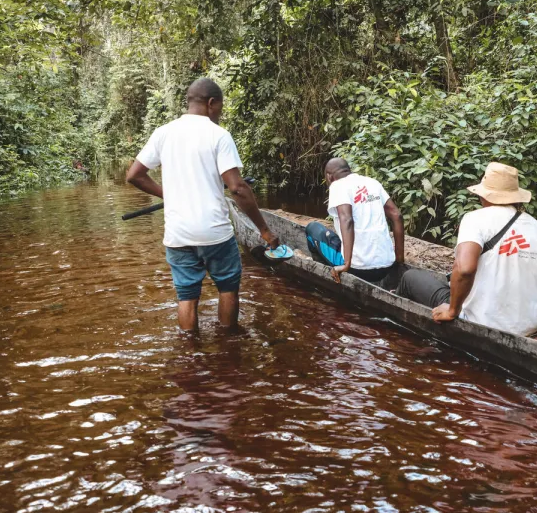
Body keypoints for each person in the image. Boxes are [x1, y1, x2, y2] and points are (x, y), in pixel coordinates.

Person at [125, 77, 280, 333]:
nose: (219, 113)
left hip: (178, 235)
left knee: (186, 296)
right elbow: (238, 188)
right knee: (228, 288)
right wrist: (264, 230)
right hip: (215, 233)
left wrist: (169, 195)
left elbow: (134, 176)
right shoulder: (218, 135)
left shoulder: (163, 133)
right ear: (211, 103)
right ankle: (228, 344)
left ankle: (190, 351)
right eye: (220, 107)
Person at [396, 162, 537, 336]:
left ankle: (401, 333)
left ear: (484, 196)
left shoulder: (476, 219)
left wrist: (452, 310)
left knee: (409, 277)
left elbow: (464, 269)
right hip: (528, 326)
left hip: (481, 321)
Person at [305, 157, 405, 284]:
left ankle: (324, 278)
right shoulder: (372, 183)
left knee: (312, 229)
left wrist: (346, 264)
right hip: (387, 266)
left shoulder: (337, 185)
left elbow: (347, 220)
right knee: (336, 237)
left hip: (358, 269)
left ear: (329, 177)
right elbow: (397, 215)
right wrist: (399, 260)